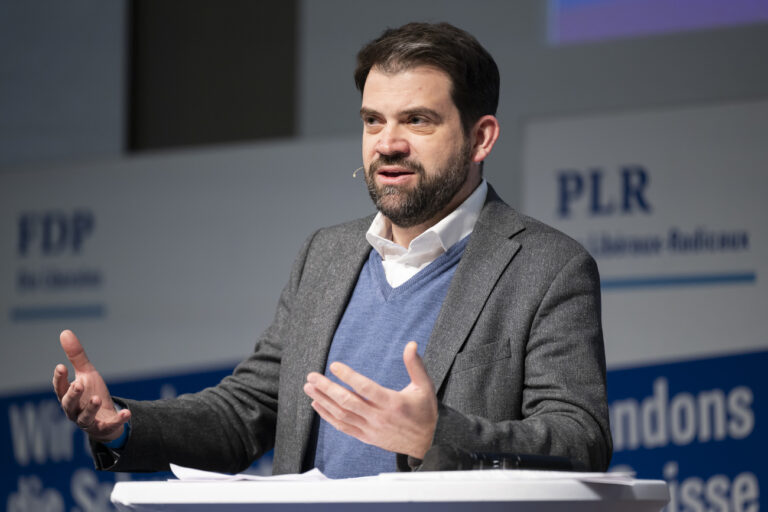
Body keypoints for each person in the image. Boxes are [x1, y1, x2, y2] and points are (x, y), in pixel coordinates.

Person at [53, 22, 612, 478]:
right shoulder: (326, 256)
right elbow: (247, 411)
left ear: (481, 137)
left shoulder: (546, 266)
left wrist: (437, 436)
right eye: (373, 121)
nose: (388, 143)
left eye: (417, 120)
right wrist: (122, 424)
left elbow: (578, 438)